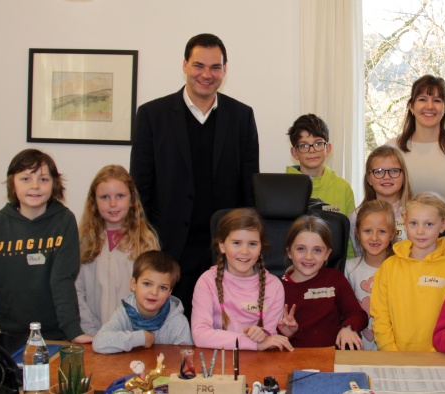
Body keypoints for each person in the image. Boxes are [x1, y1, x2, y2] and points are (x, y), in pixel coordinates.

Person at [130, 33, 259, 318]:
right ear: (185, 65)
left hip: (225, 251)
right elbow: (140, 186)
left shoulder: (242, 116)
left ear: (224, 70)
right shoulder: (152, 115)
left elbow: (250, 189)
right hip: (169, 247)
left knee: (223, 330)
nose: (207, 74)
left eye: (215, 67)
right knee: (170, 335)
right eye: (199, 65)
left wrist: (246, 244)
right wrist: (148, 240)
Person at [0, 149, 89, 342]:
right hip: (10, 335)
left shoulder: (64, 221)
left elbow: (62, 279)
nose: (35, 186)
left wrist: (74, 332)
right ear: (13, 184)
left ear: (55, 184)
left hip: (55, 336)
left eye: (43, 179)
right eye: (26, 179)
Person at [191, 208, 293, 351]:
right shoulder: (207, 282)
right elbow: (200, 335)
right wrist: (253, 343)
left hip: (258, 363)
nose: (244, 251)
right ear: (222, 246)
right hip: (218, 364)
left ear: (260, 248)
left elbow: (270, 336)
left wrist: (262, 334)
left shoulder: (274, 285)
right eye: (237, 243)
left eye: (252, 244)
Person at [371, 192, 445, 351]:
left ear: (443, 225)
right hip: (395, 356)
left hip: (442, 357)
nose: (420, 231)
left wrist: (440, 352)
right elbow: (380, 316)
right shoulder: (389, 267)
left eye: (428, 224)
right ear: (404, 222)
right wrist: (390, 350)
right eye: (413, 223)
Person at [76, 165, 160, 337]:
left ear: (131, 199)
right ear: (94, 201)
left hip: (133, 337)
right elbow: (76, 291)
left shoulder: (145, 243)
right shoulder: (83, 243)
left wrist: (133, 335)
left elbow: (152, 294)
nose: (113, 204)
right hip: (92, 335)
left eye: (120, 196)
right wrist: (92, 332)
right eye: (105, 197)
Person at [387, 75, 445, 202]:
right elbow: (381, 203)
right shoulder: (391, 148)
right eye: (422, 99)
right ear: (411, 106)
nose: (430, 106)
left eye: (437, 100)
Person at [278, 215, 368, 349]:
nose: (309, 257)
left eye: (317, 250)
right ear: (289, 252)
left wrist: (348, 328)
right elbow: (269, 333)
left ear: (327, 254)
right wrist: (288, 333)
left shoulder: (334, 278)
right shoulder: (277, 287)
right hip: (295, 359)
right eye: (301, 249)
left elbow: (357, 314)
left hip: (333, 357)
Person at [93, 251, 192, 353]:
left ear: (169, 292)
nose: (154, 292)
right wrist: (141, 338)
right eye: (147, 284)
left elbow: (187, 359)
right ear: (133, 284)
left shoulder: (178, 322)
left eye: (163, 287)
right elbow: (99, 342)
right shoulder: (125, 313)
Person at [344, 200, 397, 350]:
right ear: (357, 233)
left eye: (382, 231)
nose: (374, 238)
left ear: (392, 233)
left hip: (392, 351)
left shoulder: (399, 268)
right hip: (357, 351)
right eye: (367, 231)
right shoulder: (349, 268)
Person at [286, 113, 355, 216]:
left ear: (328, 149)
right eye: (304, 145)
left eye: (318, 144)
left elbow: (349, 230)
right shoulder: (283, 188)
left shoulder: (343, 188)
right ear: (295, 153)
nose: (312, 150)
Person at [349, 145, 412, 256]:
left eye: (394, 171)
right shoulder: (357, 215)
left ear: (404, 175)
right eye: (378, 171)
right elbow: (360, 256)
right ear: (369, 178)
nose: (386, 177)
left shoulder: (414, 212)